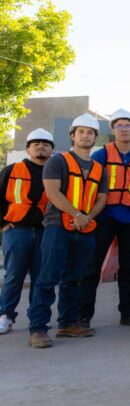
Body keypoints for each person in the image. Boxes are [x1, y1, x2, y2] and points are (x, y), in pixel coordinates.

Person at [28, 114, 108, 348]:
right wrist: (77, 214)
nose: (86, 135)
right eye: (81, 131)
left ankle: (67, 322)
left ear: (95, 137)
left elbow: (102, 198)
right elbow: (53, 192)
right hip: (57, 226)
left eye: (90, 132)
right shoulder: (58, 162)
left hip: (84, 228)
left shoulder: (98, 168)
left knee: (74, 278)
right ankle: (38, 329)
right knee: (47, 277)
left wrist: (87, 218)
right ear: (73, 135)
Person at [80, 108, 130, 328]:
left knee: (128, 267)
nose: (124, 129)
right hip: (104, 217)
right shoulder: (101, 155)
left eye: (128, 125)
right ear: (112, 129)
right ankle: (83, 316)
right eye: (119, 125)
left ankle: (128, 313)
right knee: (92, 266)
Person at [0, 129, 54, 335]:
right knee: (14, 275)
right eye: (36, 143)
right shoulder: (12, 170)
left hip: (45, 232)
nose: (41, 146)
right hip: (17, 231)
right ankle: (5, 315)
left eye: (45, 143)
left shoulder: (56, 172)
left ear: (52, 149)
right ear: (28, 148)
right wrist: (3, 223)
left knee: (42, 277)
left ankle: (37, 317)